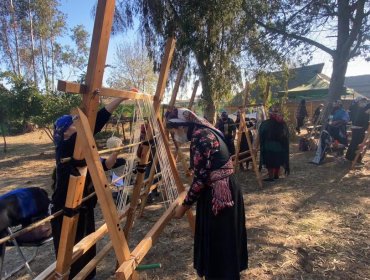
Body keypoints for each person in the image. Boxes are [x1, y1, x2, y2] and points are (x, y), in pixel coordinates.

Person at [166, 108, 248, 280]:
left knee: (219, 241)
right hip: (225, 188)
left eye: (174, 129)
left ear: (184, 126)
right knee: (225, 239)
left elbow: (201, 178)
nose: (174, 134)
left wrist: (184, 206)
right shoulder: (210, 132)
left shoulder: (200, 136)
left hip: (219, 194)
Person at [50, 97, 127, 280]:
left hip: (84, 207)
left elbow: (106, 164)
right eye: (75, 124)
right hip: (65, 211)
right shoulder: (65, 148)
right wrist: (119, 99)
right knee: (70, 257)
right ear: (66, 131)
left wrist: (116, 151)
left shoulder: (82, 151)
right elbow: (94, 123)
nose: (79, 127)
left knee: (87, 248)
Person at [254, 105, 290, 181]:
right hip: (279, 146)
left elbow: (261, 134)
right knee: (277, 160)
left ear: (270, 114)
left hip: (269, 146)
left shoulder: (266, 124)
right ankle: (276, 175)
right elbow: (286, 135)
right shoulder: (282, 123)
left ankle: (271, 177)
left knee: (269, 162)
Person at [345, 98, 370, 162]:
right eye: (363, 102)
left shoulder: (360, 108)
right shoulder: (356, 108)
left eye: (365, 102)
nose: (365, 103)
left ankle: (350, 157)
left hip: (358, 127)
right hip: (358, 127)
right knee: (357, 143)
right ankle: (353, 158)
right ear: (359, 102)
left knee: (355, 142)